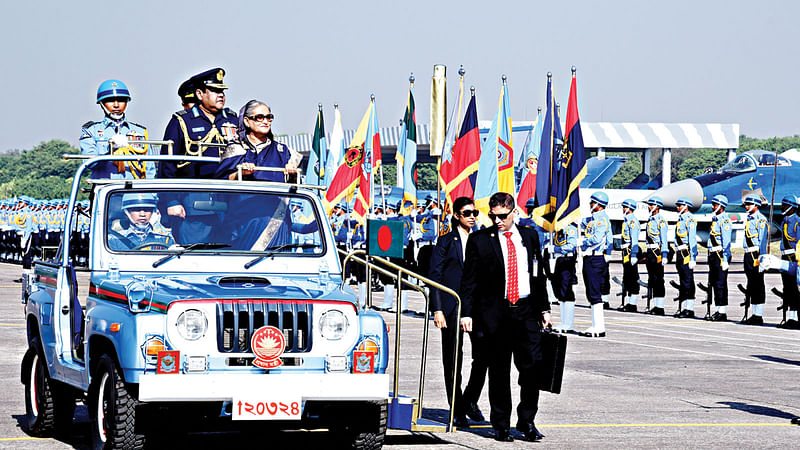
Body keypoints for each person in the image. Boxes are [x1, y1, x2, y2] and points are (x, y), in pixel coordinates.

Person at [459, 192, 551, 442]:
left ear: (514, 213)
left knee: (532, 368)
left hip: (526, 312)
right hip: (496, 315)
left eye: (502, 216)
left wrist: (544, 309)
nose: (497, 220)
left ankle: (527, 420)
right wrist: (467, 313)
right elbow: (469, 281)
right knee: (499, 372)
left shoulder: (530, 237)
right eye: (493, 216)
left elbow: (538, 275)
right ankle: (500, 424)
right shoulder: (480, 240)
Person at [429, 197, 486, 428]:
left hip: (477, 308)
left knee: (484, 356)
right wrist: (438, 309)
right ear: (456, 215)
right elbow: (435, 276)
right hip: (452, 307)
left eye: (475, 212)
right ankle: (456, 407)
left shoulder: (482, 240)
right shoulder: (446, 241)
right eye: (467, 213)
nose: (472, 216)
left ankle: (469, 400)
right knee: (453, 359)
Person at [159, 68, 239, 180]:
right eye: (214, 91)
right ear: (200, 94)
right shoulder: (182, 121)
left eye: (222, 91)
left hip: (226, 190)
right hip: (194, 189)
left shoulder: (233, 120)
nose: (220, 95)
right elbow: (167, 166)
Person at [80, 79, 155, 179]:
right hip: (105, 190)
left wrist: (149, 192)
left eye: (120, 100)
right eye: (110, 100)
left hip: (134, 191)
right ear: (102, 103)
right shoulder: (91, 131)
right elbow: (89, 163)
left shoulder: (140, 132)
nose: (116, 105)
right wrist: (110, 149)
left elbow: (149, 169)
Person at [216, 100, 301, 182]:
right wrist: (240, 173)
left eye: (268, 117)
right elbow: (221, 181)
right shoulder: (235, 149)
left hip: (274, 196)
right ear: (246, 121)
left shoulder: (282, 150)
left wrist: (292, 173)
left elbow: (296, 184)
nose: (265, 121)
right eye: (259, 117)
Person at [579, 191, 611, 337]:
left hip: (595, 258)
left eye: (592, 203)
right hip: (590, 258)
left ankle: (599, 327)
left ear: (598, 205)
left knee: (594, 292)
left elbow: (597, 239)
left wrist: (583, 241)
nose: (590, 205)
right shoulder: (593, 219)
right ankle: (595, 325)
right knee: (591, 293)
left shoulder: (601, 220)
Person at [108, 193, 174, 251]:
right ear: (127, 212)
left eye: (147, 210)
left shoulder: (164, 238)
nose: (142, 214)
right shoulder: (114, 239)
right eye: (137, 210)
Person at [741, 194, 769, 325]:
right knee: (751, 284)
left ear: (756, 205)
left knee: (758, 284)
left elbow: (763, 242)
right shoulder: (749, 219)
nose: (746, 206)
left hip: (756, 255)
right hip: (748, 255)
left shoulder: (761, 220)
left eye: (749, 204)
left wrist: (763, 258)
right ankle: (753, 313)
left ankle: (758, 315)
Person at [708, 195, 732, 321]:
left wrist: (726, 258)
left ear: (721, 206)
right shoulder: (715, 220)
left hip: (720, 255)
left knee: (721, 284)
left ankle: (722, 311)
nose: (713, 207)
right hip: (713, 255)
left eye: (715, 205)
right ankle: (717, 310)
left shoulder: (725, 221)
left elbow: (726, 241)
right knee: (714, 283)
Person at [551, 221, 578, 333]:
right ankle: (564, 322)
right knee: (559, 291)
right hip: (559, 260)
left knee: (566, 291)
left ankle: (568, 324)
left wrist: (556, 249)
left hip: (567, 259)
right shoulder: (557, 228)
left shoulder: (570, 228)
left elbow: (571, 246)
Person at [777, 195, 800, 329]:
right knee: (787, 288)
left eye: (785, 205)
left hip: (793, 257)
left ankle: (796, 318)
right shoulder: (784, 221)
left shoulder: (797, 222)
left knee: (794, 288)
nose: (783, 207)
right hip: (784, 256)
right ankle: (790, 318)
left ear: (792, 208)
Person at [674, 197, 698, 318]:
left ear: (686, 206)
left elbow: (692, 239)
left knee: (688, 280)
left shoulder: (690, 220)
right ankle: (684, 307)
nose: (677, 207)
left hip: (686, 253)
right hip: (680, 252)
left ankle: (689, 308)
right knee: (683, 280)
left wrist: (693, 257)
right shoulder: (680, 219)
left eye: (680, 205)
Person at [644, 197, 669, 315]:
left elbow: (664, 239)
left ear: (657, 206)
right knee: (651, 279)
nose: (649, 206)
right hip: (650, 252)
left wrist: (664, 254)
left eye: (652, 205)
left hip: (657, 252)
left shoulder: (660, 221)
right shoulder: (650, 220)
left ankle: (660, 306)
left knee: (658, 279)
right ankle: (654, 304)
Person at [617, 198, 641, 312]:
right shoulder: (626, 221)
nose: (623, 209)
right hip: (625, 252)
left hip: (630, 251)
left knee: (632, 277)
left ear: (630, 209)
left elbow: (635, 240)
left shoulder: (632, 222)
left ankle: (633, 303)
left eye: (625, 207)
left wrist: (634, 255)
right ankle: (628, 301)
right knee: (627, 277)